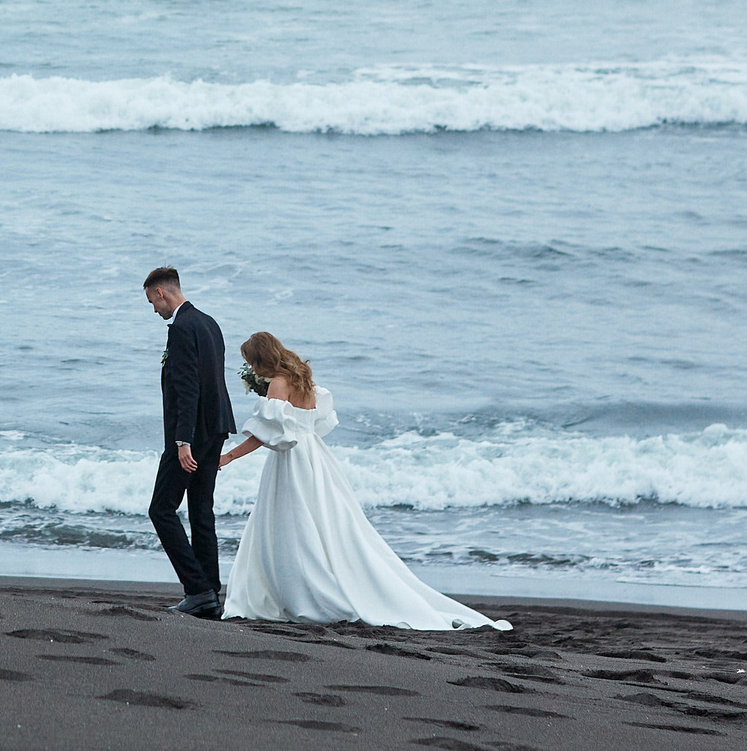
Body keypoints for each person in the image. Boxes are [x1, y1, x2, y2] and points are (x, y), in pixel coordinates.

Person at [216, 330, 512, 631]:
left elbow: (267, 432)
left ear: (260, 359)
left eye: (251, 362)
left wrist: (229, 456)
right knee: (325, 525)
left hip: (291, 460)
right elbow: (313, 424)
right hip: (315, 457)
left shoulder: (278, 383)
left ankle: (301, 592)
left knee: (291, 526)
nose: (251, 369)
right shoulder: (302, 378)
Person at [142, 265, 233, 617]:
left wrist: (182, 441)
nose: (154, 309)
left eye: (152, 301)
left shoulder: (181, 328)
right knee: (201, 511)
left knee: (161, 509)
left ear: (162, 292)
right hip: (216, 427)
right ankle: (209, 591)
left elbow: (187, 385)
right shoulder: (209, 323)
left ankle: (196, 589)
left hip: (191, 434)